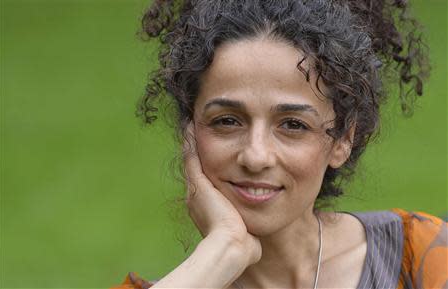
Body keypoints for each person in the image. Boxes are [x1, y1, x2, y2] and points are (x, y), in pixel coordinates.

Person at [111, 0, 447, 288]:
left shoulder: (422, 258)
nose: (256, 156)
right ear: (190, 133)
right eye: (227, 120)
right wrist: (224, 249)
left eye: (292, 125)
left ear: (343, 139)